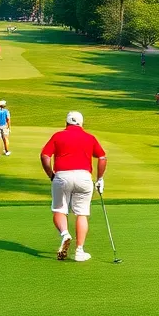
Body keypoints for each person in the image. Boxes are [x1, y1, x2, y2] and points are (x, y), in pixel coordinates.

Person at [40, 111, 106, 262]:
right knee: (81, 213)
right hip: (84, 178)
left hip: (62, 176)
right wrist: (100, 179)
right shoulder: (89, 137)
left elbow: (45, 156)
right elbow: (102, 157)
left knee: (59, 209)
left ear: (66, 123)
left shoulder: (58, 136)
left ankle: (65, 234)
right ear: (81, 123)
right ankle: (79, 251)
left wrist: (51, 175)